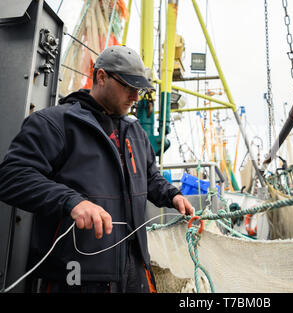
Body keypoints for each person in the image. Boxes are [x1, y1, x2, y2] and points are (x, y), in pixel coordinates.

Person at [0, 45, 194, 293]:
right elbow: (11, 177)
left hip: (135, 274)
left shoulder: (135, 132)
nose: (135, 97)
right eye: (128, 87)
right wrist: (72, 201)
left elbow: (149, 177)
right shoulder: (55, 123)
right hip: (75, 278)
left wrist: (172, 195)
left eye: (139, 89)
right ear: (101, 76)